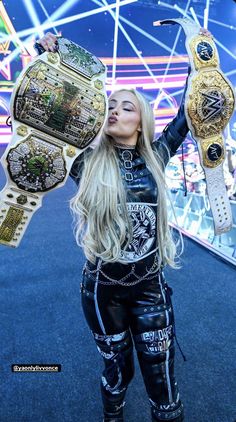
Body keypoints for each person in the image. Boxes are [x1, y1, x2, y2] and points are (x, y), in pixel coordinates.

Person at [35, 27, 212, 422]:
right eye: (110, 105)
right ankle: (111, 416)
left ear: (141, 120)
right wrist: (47, 56)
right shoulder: (86, 161)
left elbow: (189, 111)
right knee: (118, 372)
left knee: (161, 378)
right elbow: (53, 111)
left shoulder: (157, 155)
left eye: (126, 107)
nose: (115, 110)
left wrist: (197, 56)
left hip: (150, 288)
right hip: (103, 292)